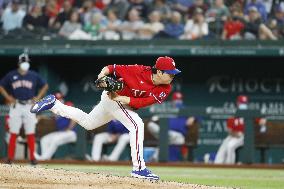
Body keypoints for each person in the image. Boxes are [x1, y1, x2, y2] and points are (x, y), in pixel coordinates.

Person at [30, 56, 181, 180]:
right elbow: (112, 68)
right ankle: (139, 168)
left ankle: (54, 104)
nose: (173, 76)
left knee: (88, 123)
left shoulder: (165, 88)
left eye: (173, 73)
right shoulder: (138, 70)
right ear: (159, 72)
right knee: (137, 125)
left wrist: (120, 97)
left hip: (121, 101)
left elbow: (143, 102)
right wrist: (101, 77)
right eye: (170, 73)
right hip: (111, 99)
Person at [0, 53, 49, 165]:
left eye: (27, 62)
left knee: (30, 131)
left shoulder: (33, 75)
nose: (25, 64)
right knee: (13, 132)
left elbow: (45, 85)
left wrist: (38, 97)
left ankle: (32, 158)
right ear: (19, 63)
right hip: (16, 105)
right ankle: (10, 158)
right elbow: (1, 86)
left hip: (28, 105)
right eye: (23, 62)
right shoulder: (12, 75)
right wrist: (8, 97)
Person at [147, 91, 195, 161]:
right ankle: (156, 156)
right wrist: (157, 118)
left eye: (179, 99)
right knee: (150, 125)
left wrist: (192, 117)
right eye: (176, 99)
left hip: (176, 134)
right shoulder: (167, 109)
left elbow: (197, 114)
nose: (178, 102)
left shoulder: (185, 109)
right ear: (172, 101)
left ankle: (154, 157)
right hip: (164, 132)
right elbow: (155, 118)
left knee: (175, 139)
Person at [34, 92, 77, 161]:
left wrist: (69, 128)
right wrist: (41, 117)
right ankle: (45, 158)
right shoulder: (54, 109)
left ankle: (44, 159)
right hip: (61, 132)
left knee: (55, 140)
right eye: (58, 99)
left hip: (71, 132)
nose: (59, 100)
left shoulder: (68, 105)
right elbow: (50, 117)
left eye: (60, 98)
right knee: (44, 139)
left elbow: (75, 117)